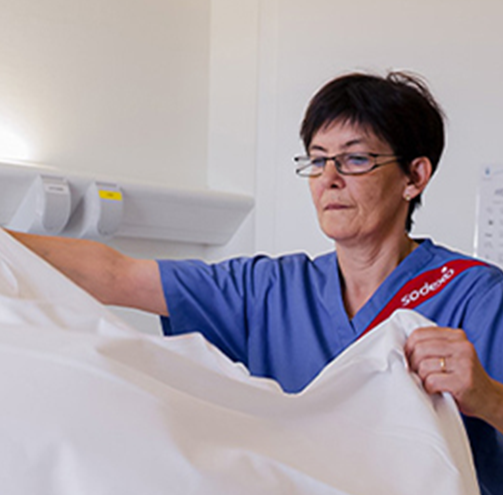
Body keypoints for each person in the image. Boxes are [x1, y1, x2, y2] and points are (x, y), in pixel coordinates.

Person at [8, 71, 503, 495]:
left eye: (355, 160)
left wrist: (484, 395)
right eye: (316, 159)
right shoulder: (268, 289)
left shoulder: (476, 296)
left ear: (414, 177)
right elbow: (114, 274)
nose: (329, 178)